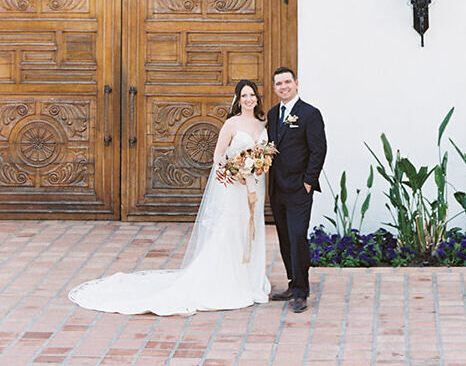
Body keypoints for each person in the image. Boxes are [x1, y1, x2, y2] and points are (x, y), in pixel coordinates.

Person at [68, 80, 271, 315]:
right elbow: (218, 156)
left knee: (250, 229)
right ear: (238, 99)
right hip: (234, 187)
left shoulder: (261, 123)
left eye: (252, 95)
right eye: (244, 95)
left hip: (254, 185)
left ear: (257, 98)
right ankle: (227, 280)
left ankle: (249, 279)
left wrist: (257, 168)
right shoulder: (231, 123)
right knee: (230, 230)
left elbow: (262, 154)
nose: (249, 99)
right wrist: (236, 173)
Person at [266, 66, 327, 312]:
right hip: (277, 188)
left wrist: (308, 181)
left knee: (298, 237)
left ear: (296, 83)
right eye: (279, 84)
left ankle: (302, 291)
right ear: (274, 88)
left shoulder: (310, 114)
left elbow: (318, 149)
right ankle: (292, 283)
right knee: (284, 238)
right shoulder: (272, 114)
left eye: (287, 82)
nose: (283, 87)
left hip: (299, 189)